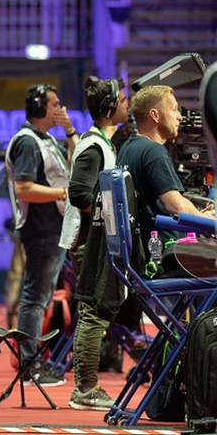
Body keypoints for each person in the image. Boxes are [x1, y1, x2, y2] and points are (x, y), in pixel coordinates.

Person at [59, 77, 134, 410]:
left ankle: (86, 385)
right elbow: (78, 194)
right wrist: (110, 212)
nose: (126, 103)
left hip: (95, 237)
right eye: (122, 98)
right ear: (108, 108)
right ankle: (85, 388)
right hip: (88, 240)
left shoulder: (104, 141)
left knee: (96, 311)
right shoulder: (93, 146)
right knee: (93, 311)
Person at [4, 83, 78, 387]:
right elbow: (24, 188)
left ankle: (34, 361)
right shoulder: (27, 142)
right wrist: (63, 192)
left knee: (41, 297)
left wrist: (71, 132)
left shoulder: (46, 140)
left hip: (54, 228)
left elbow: (75, 166)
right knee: (34, 300)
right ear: (39, 108)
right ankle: (30, 365)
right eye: (55, 104)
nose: (60, 109)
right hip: (40, 229)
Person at [116, 85, 215, 250]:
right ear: (155, 115)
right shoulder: (153, 151)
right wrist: (206, 221)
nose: (180, 117)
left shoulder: (127, 148)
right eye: (174, 109)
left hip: (142, 252)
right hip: (164, 255)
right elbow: (175, 206)